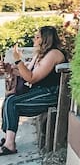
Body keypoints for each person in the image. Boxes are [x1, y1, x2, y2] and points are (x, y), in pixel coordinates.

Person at [0, 26, 66, 155]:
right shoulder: (41, 54)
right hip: (41, 92)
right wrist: (10, 69)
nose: (34, 40)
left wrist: (18, 60)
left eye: (37, 37)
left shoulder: (54, 54)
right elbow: (27, 74)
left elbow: (32, 78)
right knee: (9, 99)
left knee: (12, 102)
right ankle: (8, 139)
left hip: (51, 94)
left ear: (46, 39)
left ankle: (10, 144)